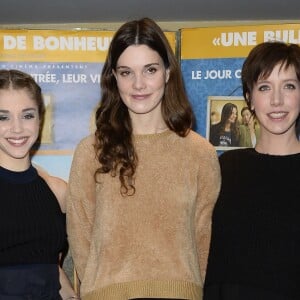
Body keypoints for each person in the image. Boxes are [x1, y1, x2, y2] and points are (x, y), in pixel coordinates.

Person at [66, 17, 221, 300]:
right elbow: (80, 236)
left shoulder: (200, 153)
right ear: (113, 77)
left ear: (168, 72)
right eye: (126, 72)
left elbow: (202, 238)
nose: (138, 84)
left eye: (150, 69)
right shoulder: (90, 152)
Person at [204, 41, 300, 300]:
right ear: (250, 98)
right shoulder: (226, 168)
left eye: (289, 86)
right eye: (265, 87)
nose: (277, 100)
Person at [0, 69, 78, 300]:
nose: (17, 128)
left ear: (40, 119)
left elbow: (51, 268)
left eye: (27, 115)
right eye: (3, 117)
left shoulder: (57, 190)